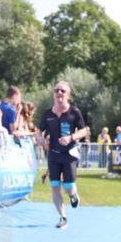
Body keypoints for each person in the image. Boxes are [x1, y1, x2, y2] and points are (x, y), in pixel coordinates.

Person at [37, 80, 88, 229]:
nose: (59, 93)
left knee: (69, 187)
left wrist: (71, 137)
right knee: (54, 186)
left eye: (63, 91)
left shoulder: (74, 112)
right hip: (53, 154)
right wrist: (40, 139)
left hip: (69, 154)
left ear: (68, 95)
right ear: (53, 94)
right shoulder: (48, 114)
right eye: (57, 90)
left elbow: (84, 130)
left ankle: (73, 196)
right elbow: (39, 131)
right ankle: (63, 217)